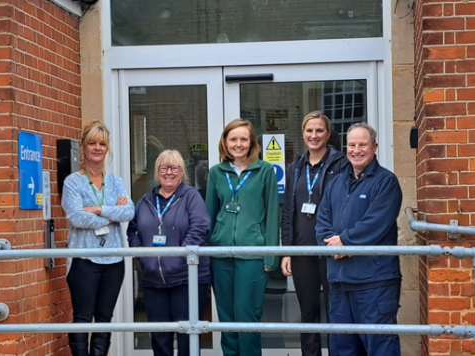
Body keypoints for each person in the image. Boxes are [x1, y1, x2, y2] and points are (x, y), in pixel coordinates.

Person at [316, 123, 403, 356]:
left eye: (362, 144)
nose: (356, 150)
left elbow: (376, 223)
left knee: (379, 345)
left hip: (374, 282)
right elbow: (322, 221)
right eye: (351, 145)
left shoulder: (386, 182)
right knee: (342, 347)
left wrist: (344, 241)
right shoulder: (335, 184)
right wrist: (330, 245)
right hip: (339, 280)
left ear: (374, 147)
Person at [206, 119, 280, 356]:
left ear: (251, 143)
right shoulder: (216, 173)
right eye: (233, 139)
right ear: (225, 143)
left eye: (243, 139)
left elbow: (272, 215)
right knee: (226, 316)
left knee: (247, 315)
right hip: (220, 254)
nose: (238, 144)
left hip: (253, 255)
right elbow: (209, 214)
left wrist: (270, 257)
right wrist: (207, 253)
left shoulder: (265, 170)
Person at [127, 149, 211, 356]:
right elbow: (132, 230)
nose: (169, 173)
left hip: (187, 279)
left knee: (187, 338)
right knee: (160, 338)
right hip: (153, 281)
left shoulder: (191, 196)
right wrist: (142, 256)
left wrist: (179, 256)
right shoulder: (146, 200)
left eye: (174, 168)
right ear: (157, 172)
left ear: (182, 172)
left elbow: (200, 227)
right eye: (164, 168)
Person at [62, 120, 135, 356]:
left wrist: (97, 209)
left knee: (105, 318)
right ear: (83, 147)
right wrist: (112, 212)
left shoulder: (116, 182)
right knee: (82, 317)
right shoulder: (73, 182)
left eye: (102, 144)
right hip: (84, 260)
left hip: (114, 261)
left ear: (107, 148)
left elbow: (129, 212)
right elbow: (77, 218)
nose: (97, 148)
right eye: (92, 143)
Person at [280, 111, 349, 356]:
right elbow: (288, 211)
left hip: (331, 249)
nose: (314, 135)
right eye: (309, 130)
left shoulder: (342, 164)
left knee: (335, 311)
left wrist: (342, 240)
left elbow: (346, 206)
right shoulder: (295, 167)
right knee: (308, 312)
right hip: (302, 250)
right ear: (303, 133)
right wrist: (286, 250)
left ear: (328, 134)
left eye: (319, 130)